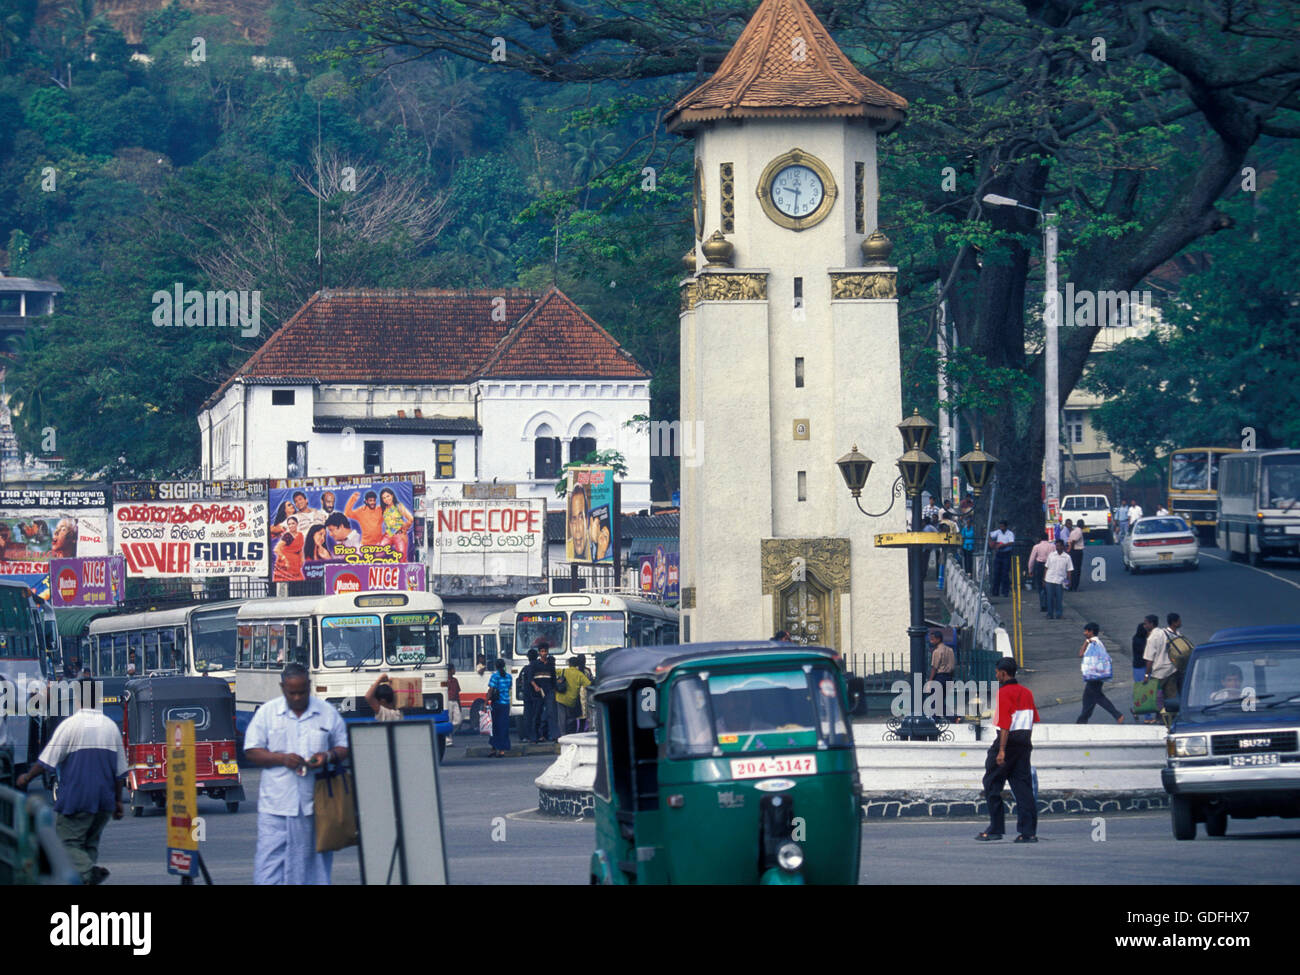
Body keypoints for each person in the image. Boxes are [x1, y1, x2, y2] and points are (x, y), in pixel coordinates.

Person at [244, 663, 349, 885]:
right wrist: (281, 758)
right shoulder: (267, 713)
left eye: (302, 691)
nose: (298, 697)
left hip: (315, 806)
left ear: (309, 686)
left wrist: (327, 756)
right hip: (276, 807)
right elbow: (251, 751)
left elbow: (344, 746)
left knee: (315, 867)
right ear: (283, 688)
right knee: (268, 869)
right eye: (292, 692)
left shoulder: (326, 713)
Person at [15, 679, 126, 885]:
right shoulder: (110, 727)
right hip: (104, 802)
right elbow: (120, 772)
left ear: (78, 699)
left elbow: (47, 761)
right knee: (90, 843)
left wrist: (27, 777)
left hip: (78, 798)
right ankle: (87, 877)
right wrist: (118, 802)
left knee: (66, 843)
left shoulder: (70, 725)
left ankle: (87, 873)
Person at [976, 657, 1039, 843]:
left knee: (991, 783)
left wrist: (1001, 751)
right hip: (1024, 743)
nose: (996, 675)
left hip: (1007, 742)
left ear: (1004, 673)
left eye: (997, 672)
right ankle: (1028, 832)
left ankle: (996, 828)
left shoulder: (1004, 693)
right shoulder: (1027, 693)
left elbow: (1005, 724)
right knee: (1022, 788)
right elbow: (1032, 720)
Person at [1077, 622, 1124, 723]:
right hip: (1097, 675)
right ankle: (1082, 720)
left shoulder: (1092, 643)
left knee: (1097, 696)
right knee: (1087, 698)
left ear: (1091, 632)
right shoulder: (1098, 643)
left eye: (1086, 631)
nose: (1084, 633)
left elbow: (1081, 654)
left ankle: (1117, 715)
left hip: (1094, 675)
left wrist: (1086, 642)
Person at [1143, 612, 1178, 711]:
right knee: (1171, 697)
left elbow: (1149, 660)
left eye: (1146, 623)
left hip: (1158, 672)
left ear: (1152, 624)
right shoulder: (1165, 633)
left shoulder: (1152, 638)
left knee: (1157, 698)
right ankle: (1171, 717)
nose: (1144, 626)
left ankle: (1160, 717)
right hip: (1171, 669)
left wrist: (1146, 675)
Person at [555, 654, 592, 736]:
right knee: (570, 718)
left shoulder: (563, 671)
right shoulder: (580, 674)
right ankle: (569, 735)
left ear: (569, 664)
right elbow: (589, 684)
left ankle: (562, 735)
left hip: (560, 698)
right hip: (572, 700)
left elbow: (552, 672)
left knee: (561, 719)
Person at [378, 487, 414, 559]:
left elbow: (411, 518)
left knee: (401, 557)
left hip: (399, 535)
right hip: (388, 535)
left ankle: (403, 569)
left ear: (392, 495)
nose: (386, 499)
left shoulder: (398, 506)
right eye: (384, 498)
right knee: (378, 553)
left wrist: (405, 529)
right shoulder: (383, 508)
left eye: (388, 496)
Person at [532, 643, 558, 741]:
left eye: (545, 651)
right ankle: (536, 737)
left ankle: (555, 736)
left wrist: (554, 689)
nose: (544, 653)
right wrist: (535, 686)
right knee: (537, 714)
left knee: (551, 713)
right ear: (539, 653)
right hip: (538, 693)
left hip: (549, 691)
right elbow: (531, 678)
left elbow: (553, 679)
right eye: (542, 651)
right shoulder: (534, 664)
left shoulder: (551, 665)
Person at [927, 630, 955, 720]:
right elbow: (953, 665)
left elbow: (934, 667)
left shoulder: (937, 651)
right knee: (940, 700)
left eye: (932, 639)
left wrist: (930, 681)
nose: (931, 641)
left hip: (940, 677)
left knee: (935, 699)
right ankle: (937, 717)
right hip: (949, 677)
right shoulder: (950, 650)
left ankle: (953, 717)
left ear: (938, 639)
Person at [487, 659, 512, 757]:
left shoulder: (494, 676)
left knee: (494, 727)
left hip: (496, 704)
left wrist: (486, 702)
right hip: (506, 704)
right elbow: (508, 688)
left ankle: (493, 748)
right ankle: (502, 750)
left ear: (496, 666)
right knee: (504, 726)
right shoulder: (509, 677)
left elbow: (491, 690)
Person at [1027, 530, 1054, 613]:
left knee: (1040, 586)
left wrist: (1030, 570)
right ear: (1048, 538)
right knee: (1049, 585)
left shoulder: (1036, 547)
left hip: (1040, 566)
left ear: (1040, 539)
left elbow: (1031, 559)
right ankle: (1050, 604)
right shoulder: (1052, 546)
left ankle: (1043, 605)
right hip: (1050, 566)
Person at [1043, 540, 1071, 619]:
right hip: (1049, 579)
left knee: (1059, 598)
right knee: (1049, 598)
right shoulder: (1051, 555)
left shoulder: (1067, 557)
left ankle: (1059, 614)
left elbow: (1069, 570)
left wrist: (1068, 581)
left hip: (1060, 580)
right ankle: (1050, 614)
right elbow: (1046, 567)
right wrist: (1044, 579)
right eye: (1056, 546)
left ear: (1063, 546)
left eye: (1059, 546)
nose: (1057, 547)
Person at [272, 516, 305, 582]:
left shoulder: (300, 535)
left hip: (295, 564)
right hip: (286, 566)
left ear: (297, 524)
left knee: (299, 583)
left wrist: (302, 558)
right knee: (285, 584)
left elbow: (300, 548)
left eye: (293, 523)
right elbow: (276, 549)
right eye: (289, 524)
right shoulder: (287, 536)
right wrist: (284, 559)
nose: (291, 526)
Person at [989, 521, 1015, 597]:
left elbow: (1011, 542)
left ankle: (1005, 591)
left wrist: (1003, 545)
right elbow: (989, 535)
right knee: (996, 572)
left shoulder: (1010, 533)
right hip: (999, 554)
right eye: (1000, 527)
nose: (1001, 528)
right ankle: (995, 591)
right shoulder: (998, 532)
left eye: (1003, 527)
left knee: (1005, 573)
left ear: (1006, 527)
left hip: (1006, 553)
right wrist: (991, 542)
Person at [519, 648, 540, 743]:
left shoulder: (524, 669)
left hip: (526, 696)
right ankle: (535, 736)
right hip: (536, 695)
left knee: (527, 716)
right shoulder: (537, 667)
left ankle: (526, 736)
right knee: (536, 716)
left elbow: (519, 681)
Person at [567, 485, 592, 562]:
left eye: (581, 518)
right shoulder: (568, 548)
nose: (577, 529)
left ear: (587, 520)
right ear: (570, 524)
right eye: (574, 519)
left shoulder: (596, 550)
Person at [1068, 518, 1086, 590]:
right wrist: (1071, 549)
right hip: (1077, 551)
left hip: (1073, 551)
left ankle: (1071, 585)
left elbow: (1070, 541)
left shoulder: (1073, 531)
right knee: (1077, 569)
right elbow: (1073, 541)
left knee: (1073, 569)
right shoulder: (1079, 531)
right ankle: (1074, 586)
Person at [446, 664, 462, 740]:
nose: (454, 671)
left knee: (458, 720)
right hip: (447, 702)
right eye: (453, 669)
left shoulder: (455, 680)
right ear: (449, 671)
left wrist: (459, 704)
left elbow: (457, 693)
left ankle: (449, 733)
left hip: (455, 701)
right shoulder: (445, 680)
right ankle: (448, 737)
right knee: (448, 720)